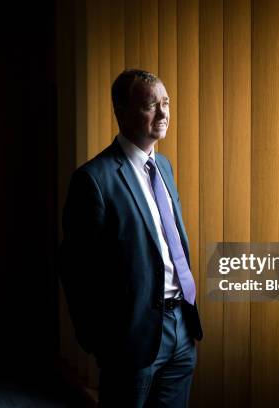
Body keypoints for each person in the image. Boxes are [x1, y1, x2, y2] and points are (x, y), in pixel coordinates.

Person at [59, 69, 203, 407]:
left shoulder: (164, 167)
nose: (164, 113)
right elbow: (74, 268)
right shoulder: (93, 179)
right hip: (131, 339)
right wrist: (99, 341)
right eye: (151, 105)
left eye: (166, 103)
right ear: (121, 111)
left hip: (182, 327)